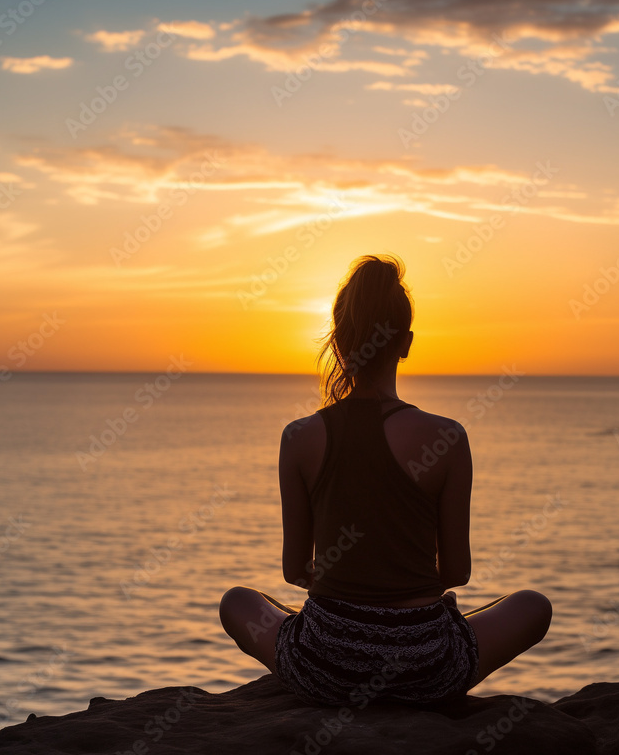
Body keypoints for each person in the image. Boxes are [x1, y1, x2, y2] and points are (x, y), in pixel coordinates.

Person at [219, 254, 551, 705]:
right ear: (406, 343)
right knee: (534, 606)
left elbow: (295, 570)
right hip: (426, 666)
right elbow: (457, 572)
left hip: (325, 667)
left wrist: (348, 584)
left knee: (237, 601)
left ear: (337, 343)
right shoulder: (447, 437)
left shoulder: (298, 437)